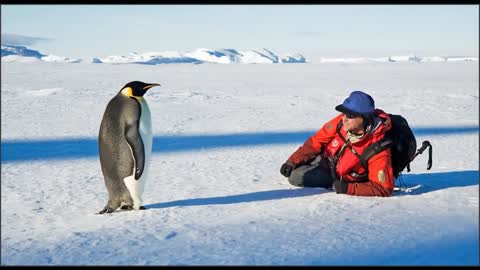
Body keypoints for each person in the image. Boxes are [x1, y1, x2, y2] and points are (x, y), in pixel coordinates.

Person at [280, 90, 395, 197]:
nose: (344, 118)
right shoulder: (342, 122)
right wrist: (292, 161)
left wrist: (348, 188)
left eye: (350, 115)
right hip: (326, 160)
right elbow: (316, 141)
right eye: (343, 113)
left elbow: (383, 188)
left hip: (339, 177)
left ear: (364, 118)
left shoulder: (377, 148)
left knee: (297, 176)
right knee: (295, 168)